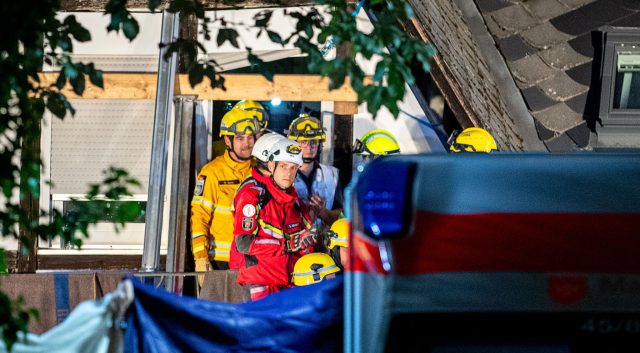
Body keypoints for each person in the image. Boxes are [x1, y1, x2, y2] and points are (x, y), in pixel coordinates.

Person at [234, 139, 318, 301]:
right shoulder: (253, 195)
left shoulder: (296, 203)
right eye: (284, 166)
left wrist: (309, 240)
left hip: (289, 283)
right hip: (260, 283)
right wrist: (288, 245)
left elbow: (306, 238)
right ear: (271, 166)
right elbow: (243, 242)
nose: (288, 173)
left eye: (293, 168)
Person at [191, 108, 259, 275]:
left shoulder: (260, 170)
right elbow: (199, 216)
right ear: (228, 141)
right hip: (220, 261)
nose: (247, 144)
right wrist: (200, 257)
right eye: (240, 138)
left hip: (253, 258)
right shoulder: (212, 172)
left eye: (250, 137)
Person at [228, 132, 286, 270]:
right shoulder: (251, 192)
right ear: (270, 162)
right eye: (283, 162)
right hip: (252, 271)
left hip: (271, 268)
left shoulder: (274, 186)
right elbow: (244, 243)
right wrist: (286, 246)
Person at [286, 114, 343, 229]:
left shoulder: (332, 175)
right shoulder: (282, 174)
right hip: (293, 243)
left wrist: (322, 212)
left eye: (313, 142)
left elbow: (342, 221)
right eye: (303, 142)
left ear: (319, 144)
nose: (309, 147)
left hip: (326, 245)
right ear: (293, 143)